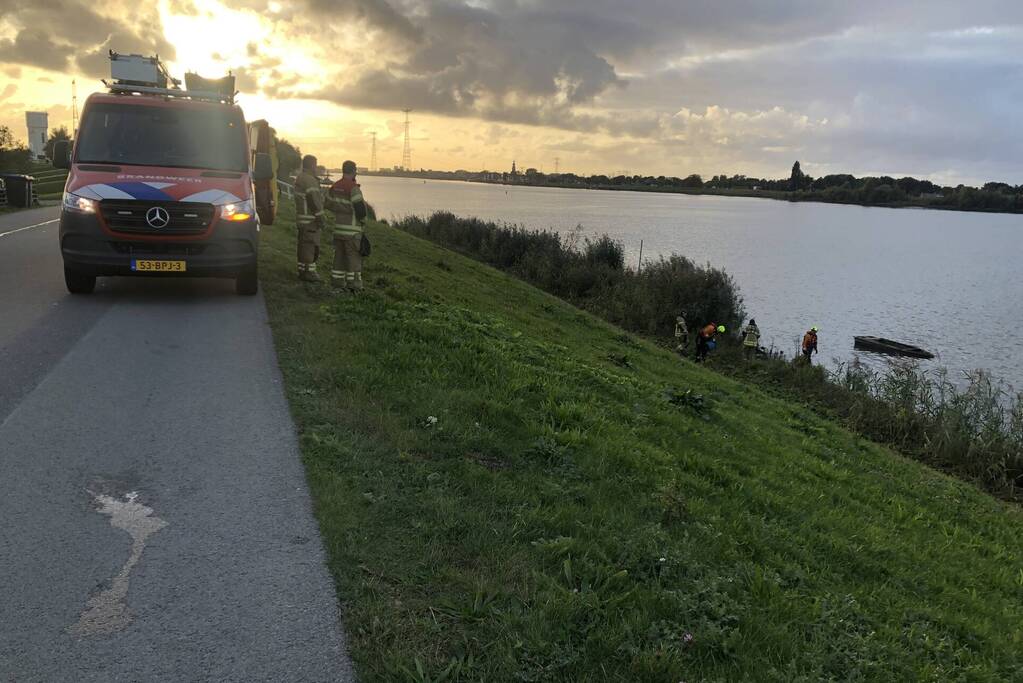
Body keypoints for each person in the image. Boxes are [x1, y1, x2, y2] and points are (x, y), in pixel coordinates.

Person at [325, 160, 368, 291]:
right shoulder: (353, 188)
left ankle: (337, 283)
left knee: (339, 257)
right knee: (353, 259)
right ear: (353, 171)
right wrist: (363, 222)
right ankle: (354, 286)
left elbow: (327, 203)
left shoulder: (335, 186)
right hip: (352, 231)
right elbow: (360, 209)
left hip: (338, 229)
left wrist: (339, 210)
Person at [293, 154, 326, 282]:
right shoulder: (309, 180)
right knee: (309, 246)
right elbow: (314, 201)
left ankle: (302, 270)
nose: (316, 168)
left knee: (303, 245)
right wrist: (320, 218)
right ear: (312, 165)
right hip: (310, 220)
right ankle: (309, 274)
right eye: (315, 165)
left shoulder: (300, 177)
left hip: (302, 219)